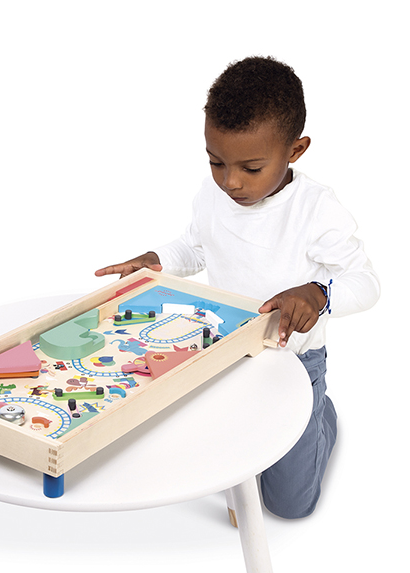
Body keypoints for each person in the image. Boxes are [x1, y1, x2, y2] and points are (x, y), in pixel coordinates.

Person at [94, 56, 380, 519]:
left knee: (289, 505)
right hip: (225, 354)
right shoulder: (214, 195)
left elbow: (366, 283)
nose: (230, 181)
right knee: (221, 460)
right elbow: (195, 246)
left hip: (295, 362)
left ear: (295, 150)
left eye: (251, 167)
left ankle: (321, 416)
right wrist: (156, 260)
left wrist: (319, 292)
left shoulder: (316, 209)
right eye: (216, 162)